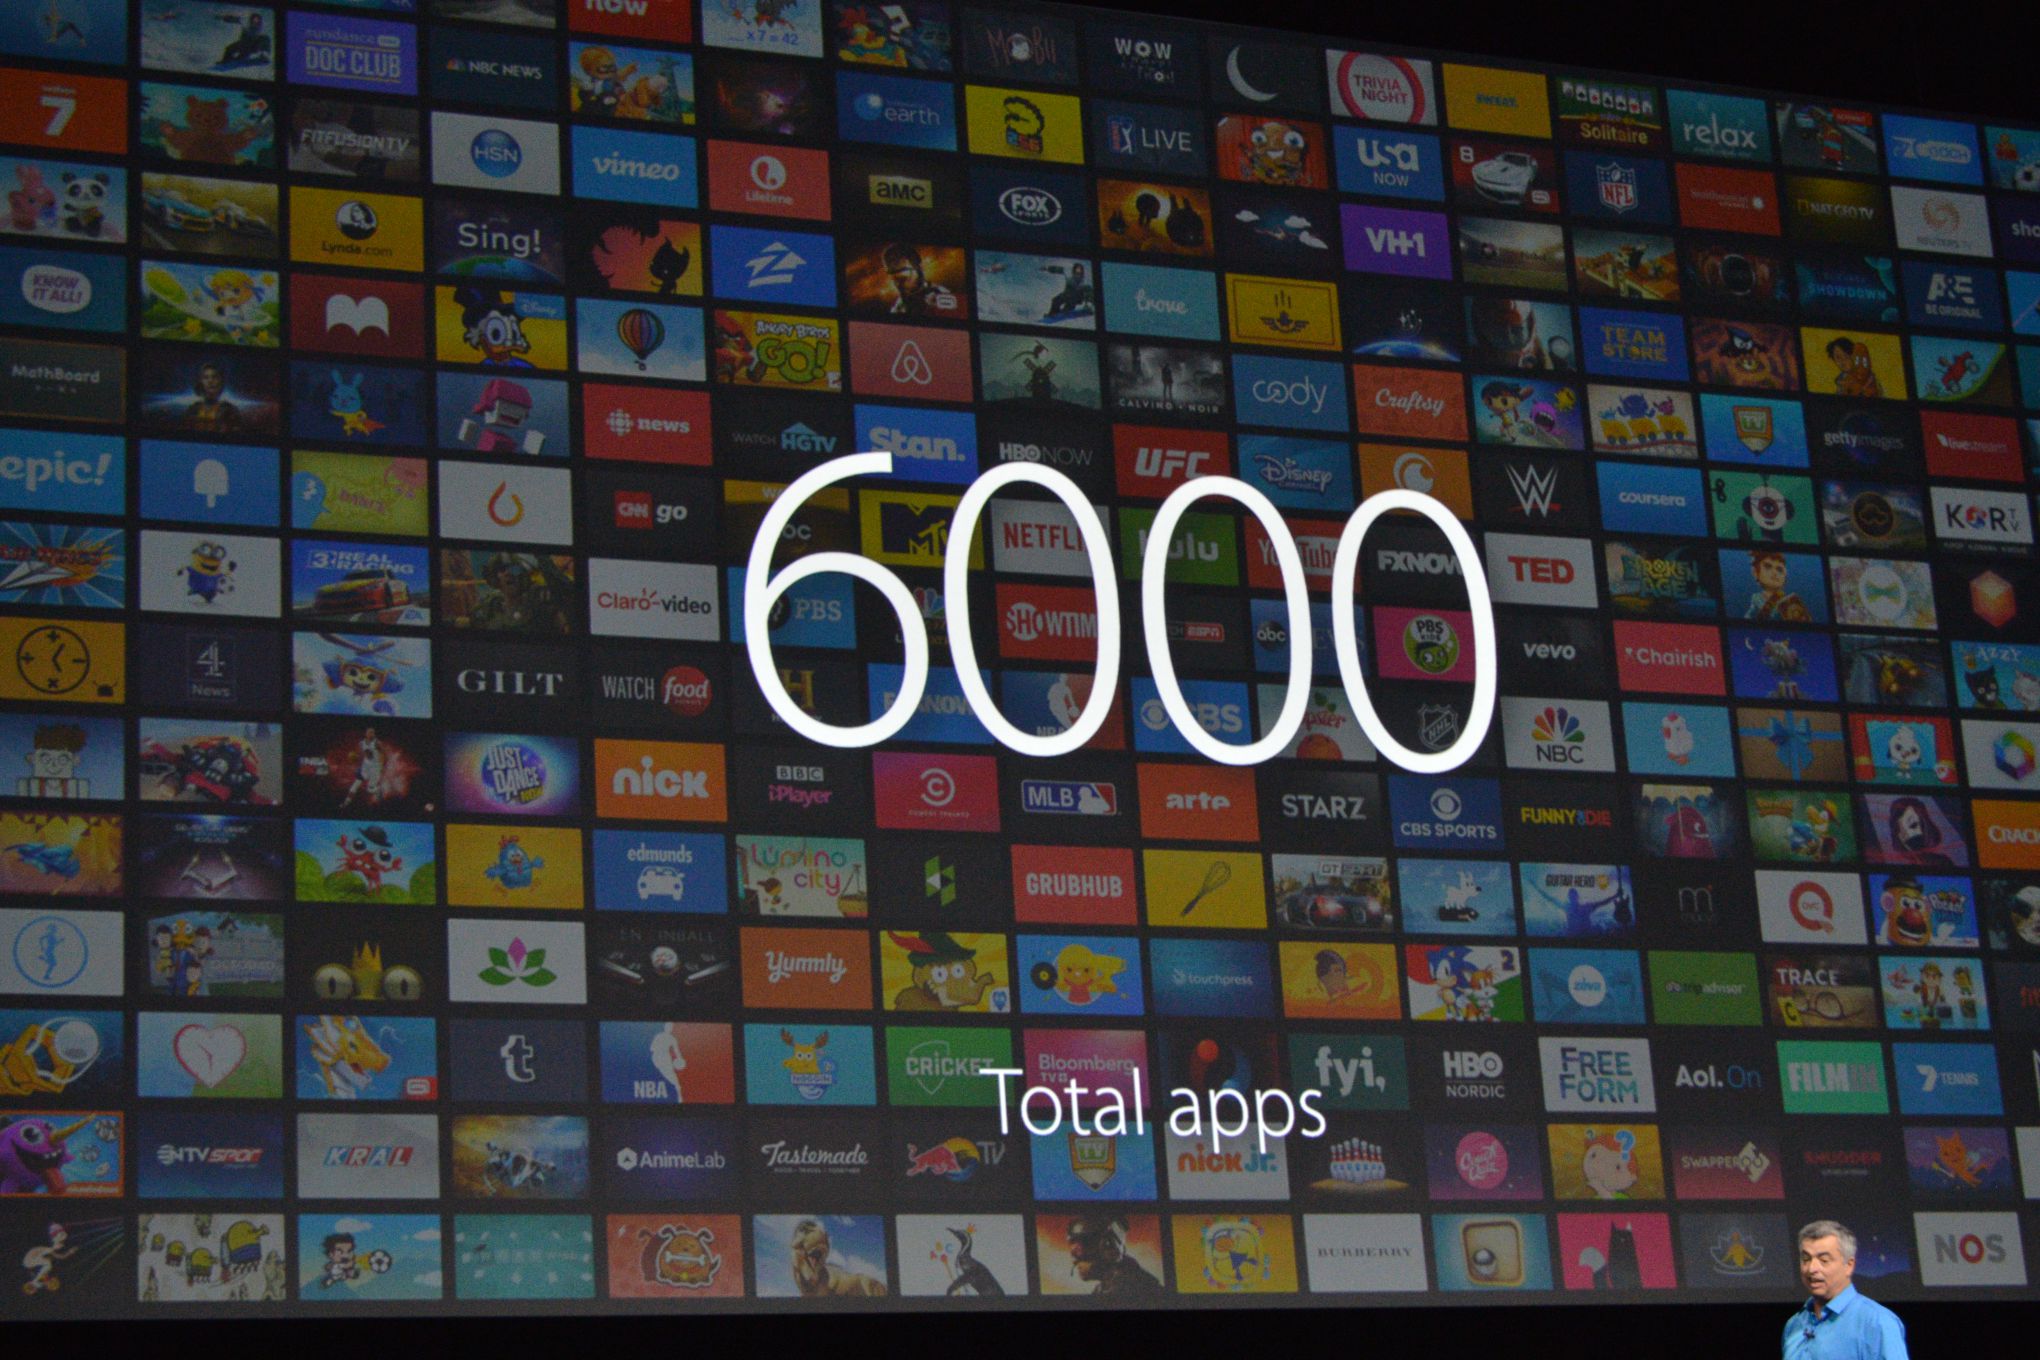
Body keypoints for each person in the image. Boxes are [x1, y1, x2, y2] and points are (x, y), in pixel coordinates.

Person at [1784, 1220, 1908, 1360]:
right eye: (1806, 1259)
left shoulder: (1877, 1322)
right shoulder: (1794, 1325)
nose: (1812, 1269)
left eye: (1824, 1260)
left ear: (1849, 1265)